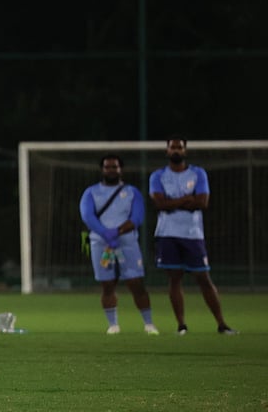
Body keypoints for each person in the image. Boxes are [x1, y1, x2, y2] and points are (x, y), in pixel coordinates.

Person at [149, 137, 236, 335]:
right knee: (174, 279)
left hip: (193, 234)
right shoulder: (158, 176)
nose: (176, 150)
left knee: (204, 278)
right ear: (167, 151)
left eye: (179, 147)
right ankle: (181, 325)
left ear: (185, 151)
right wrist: (187, 199)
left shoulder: (198, 173)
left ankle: (221, 324)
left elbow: (203, 202)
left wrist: (174, 202)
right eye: (173, 147)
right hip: (167, 233)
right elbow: (160, 205)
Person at [79, 154, 159, 335]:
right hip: (102, 244)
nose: (111, 170)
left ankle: (149, 323)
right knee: (107, 284)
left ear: (120, 169)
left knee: (136, 282)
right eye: (107, 167)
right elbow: (87, 216)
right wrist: (105, 233)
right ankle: (113, 325)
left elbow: (137, 218)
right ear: (102, 170)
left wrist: (117, 232)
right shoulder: (91, 192)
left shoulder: (132, 192)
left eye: (114, 167)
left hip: (126, 243)